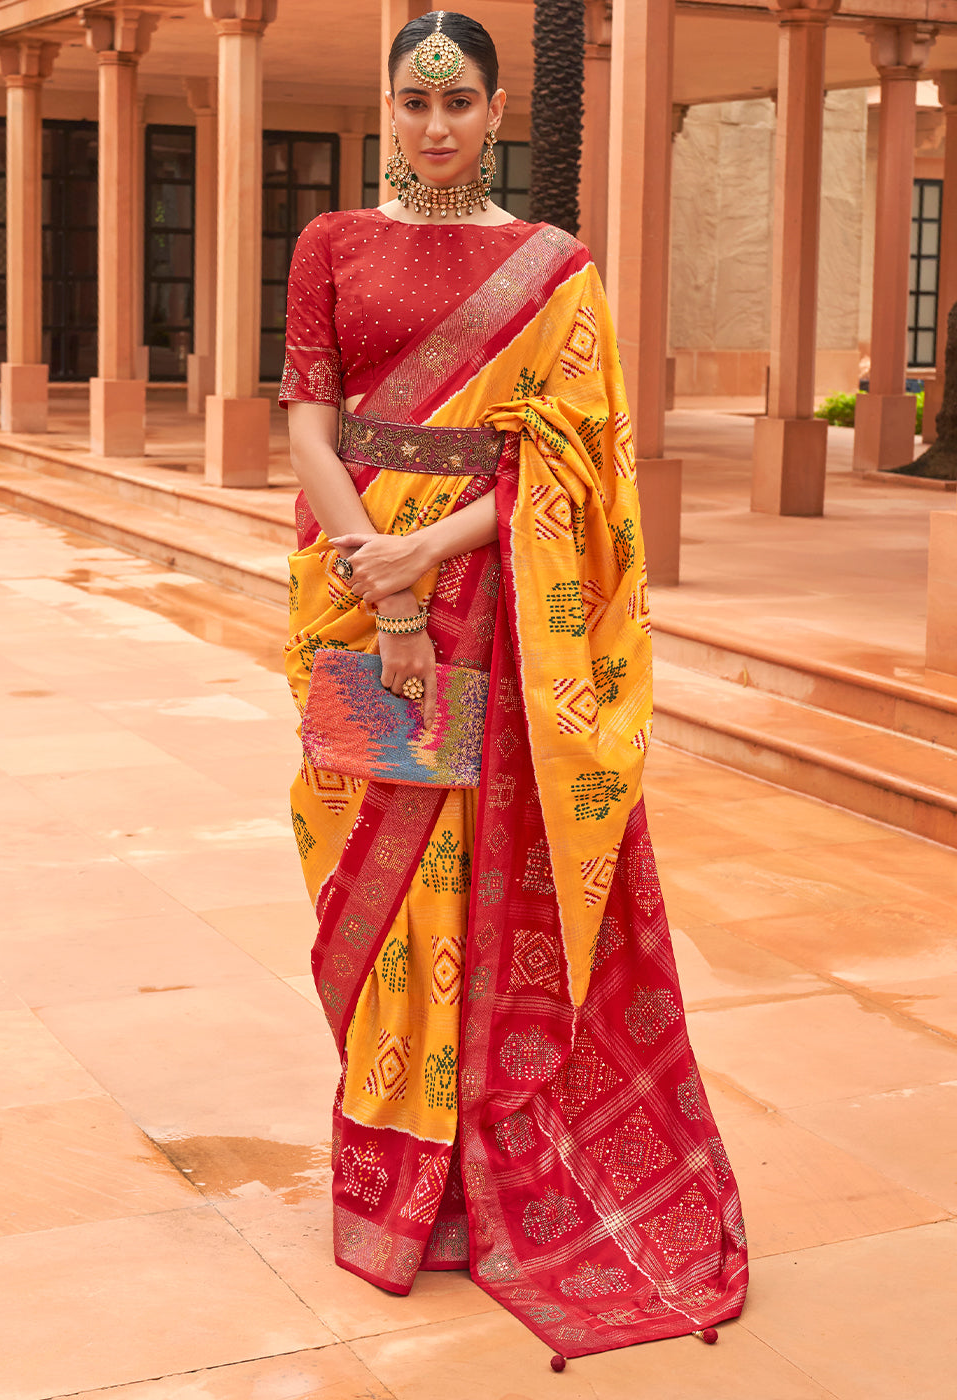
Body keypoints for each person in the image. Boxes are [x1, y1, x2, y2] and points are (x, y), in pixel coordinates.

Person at [281, 9, 747, 1365]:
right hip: (356, 599)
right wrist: (382, 573)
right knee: (368, 871)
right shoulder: (331, 245)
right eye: (415, 102)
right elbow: (308, 423)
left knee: (488, 885)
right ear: (389, 108)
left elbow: (578, 462)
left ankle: (479, 1171)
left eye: (461, 101)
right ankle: (398, 1179)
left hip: (499, 601)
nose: (436, 125)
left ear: (496, 112)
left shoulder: (552, 270)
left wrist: (430, 551)